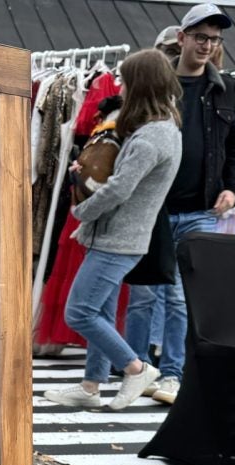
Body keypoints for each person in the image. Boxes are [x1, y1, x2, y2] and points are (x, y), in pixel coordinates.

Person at [120, 3, 235, 406]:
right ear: (182, 38)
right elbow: (127, 127)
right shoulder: (159, 86)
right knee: (143, 295)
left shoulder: (225, 89)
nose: (208, 45)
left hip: (201, 210)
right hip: (152, 209)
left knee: (179, 297)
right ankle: (135, 368)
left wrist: (233, 187)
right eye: (201, 37)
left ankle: (172, 373)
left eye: (215, 39)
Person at [44, 50, 183, 411]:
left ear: (141, 84)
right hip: (119, 235)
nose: (120, 85)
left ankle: (135, 368)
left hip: (118, 238)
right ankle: (91, 386)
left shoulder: (153, 135)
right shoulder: (160, 129)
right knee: (100, 312)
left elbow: (121, 188)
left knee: (80, 312)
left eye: (126, 80)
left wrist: (82, 211)